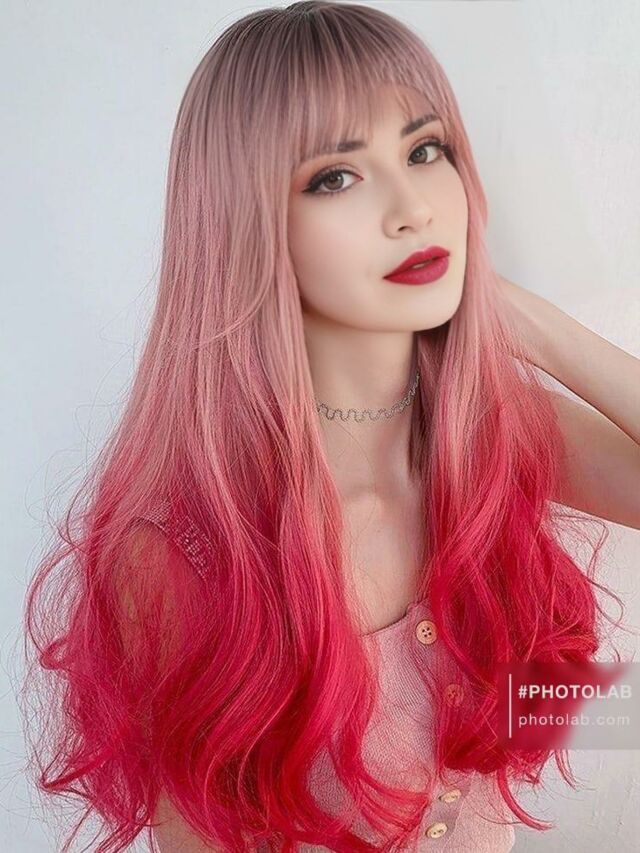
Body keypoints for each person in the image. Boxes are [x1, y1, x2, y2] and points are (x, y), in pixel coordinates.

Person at [22, 2, 640, 851]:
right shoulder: (180, 553)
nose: (413, 208)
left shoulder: (493, 432)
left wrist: (530, 323)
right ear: (247, 224)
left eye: (425, 151)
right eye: (336, 177)